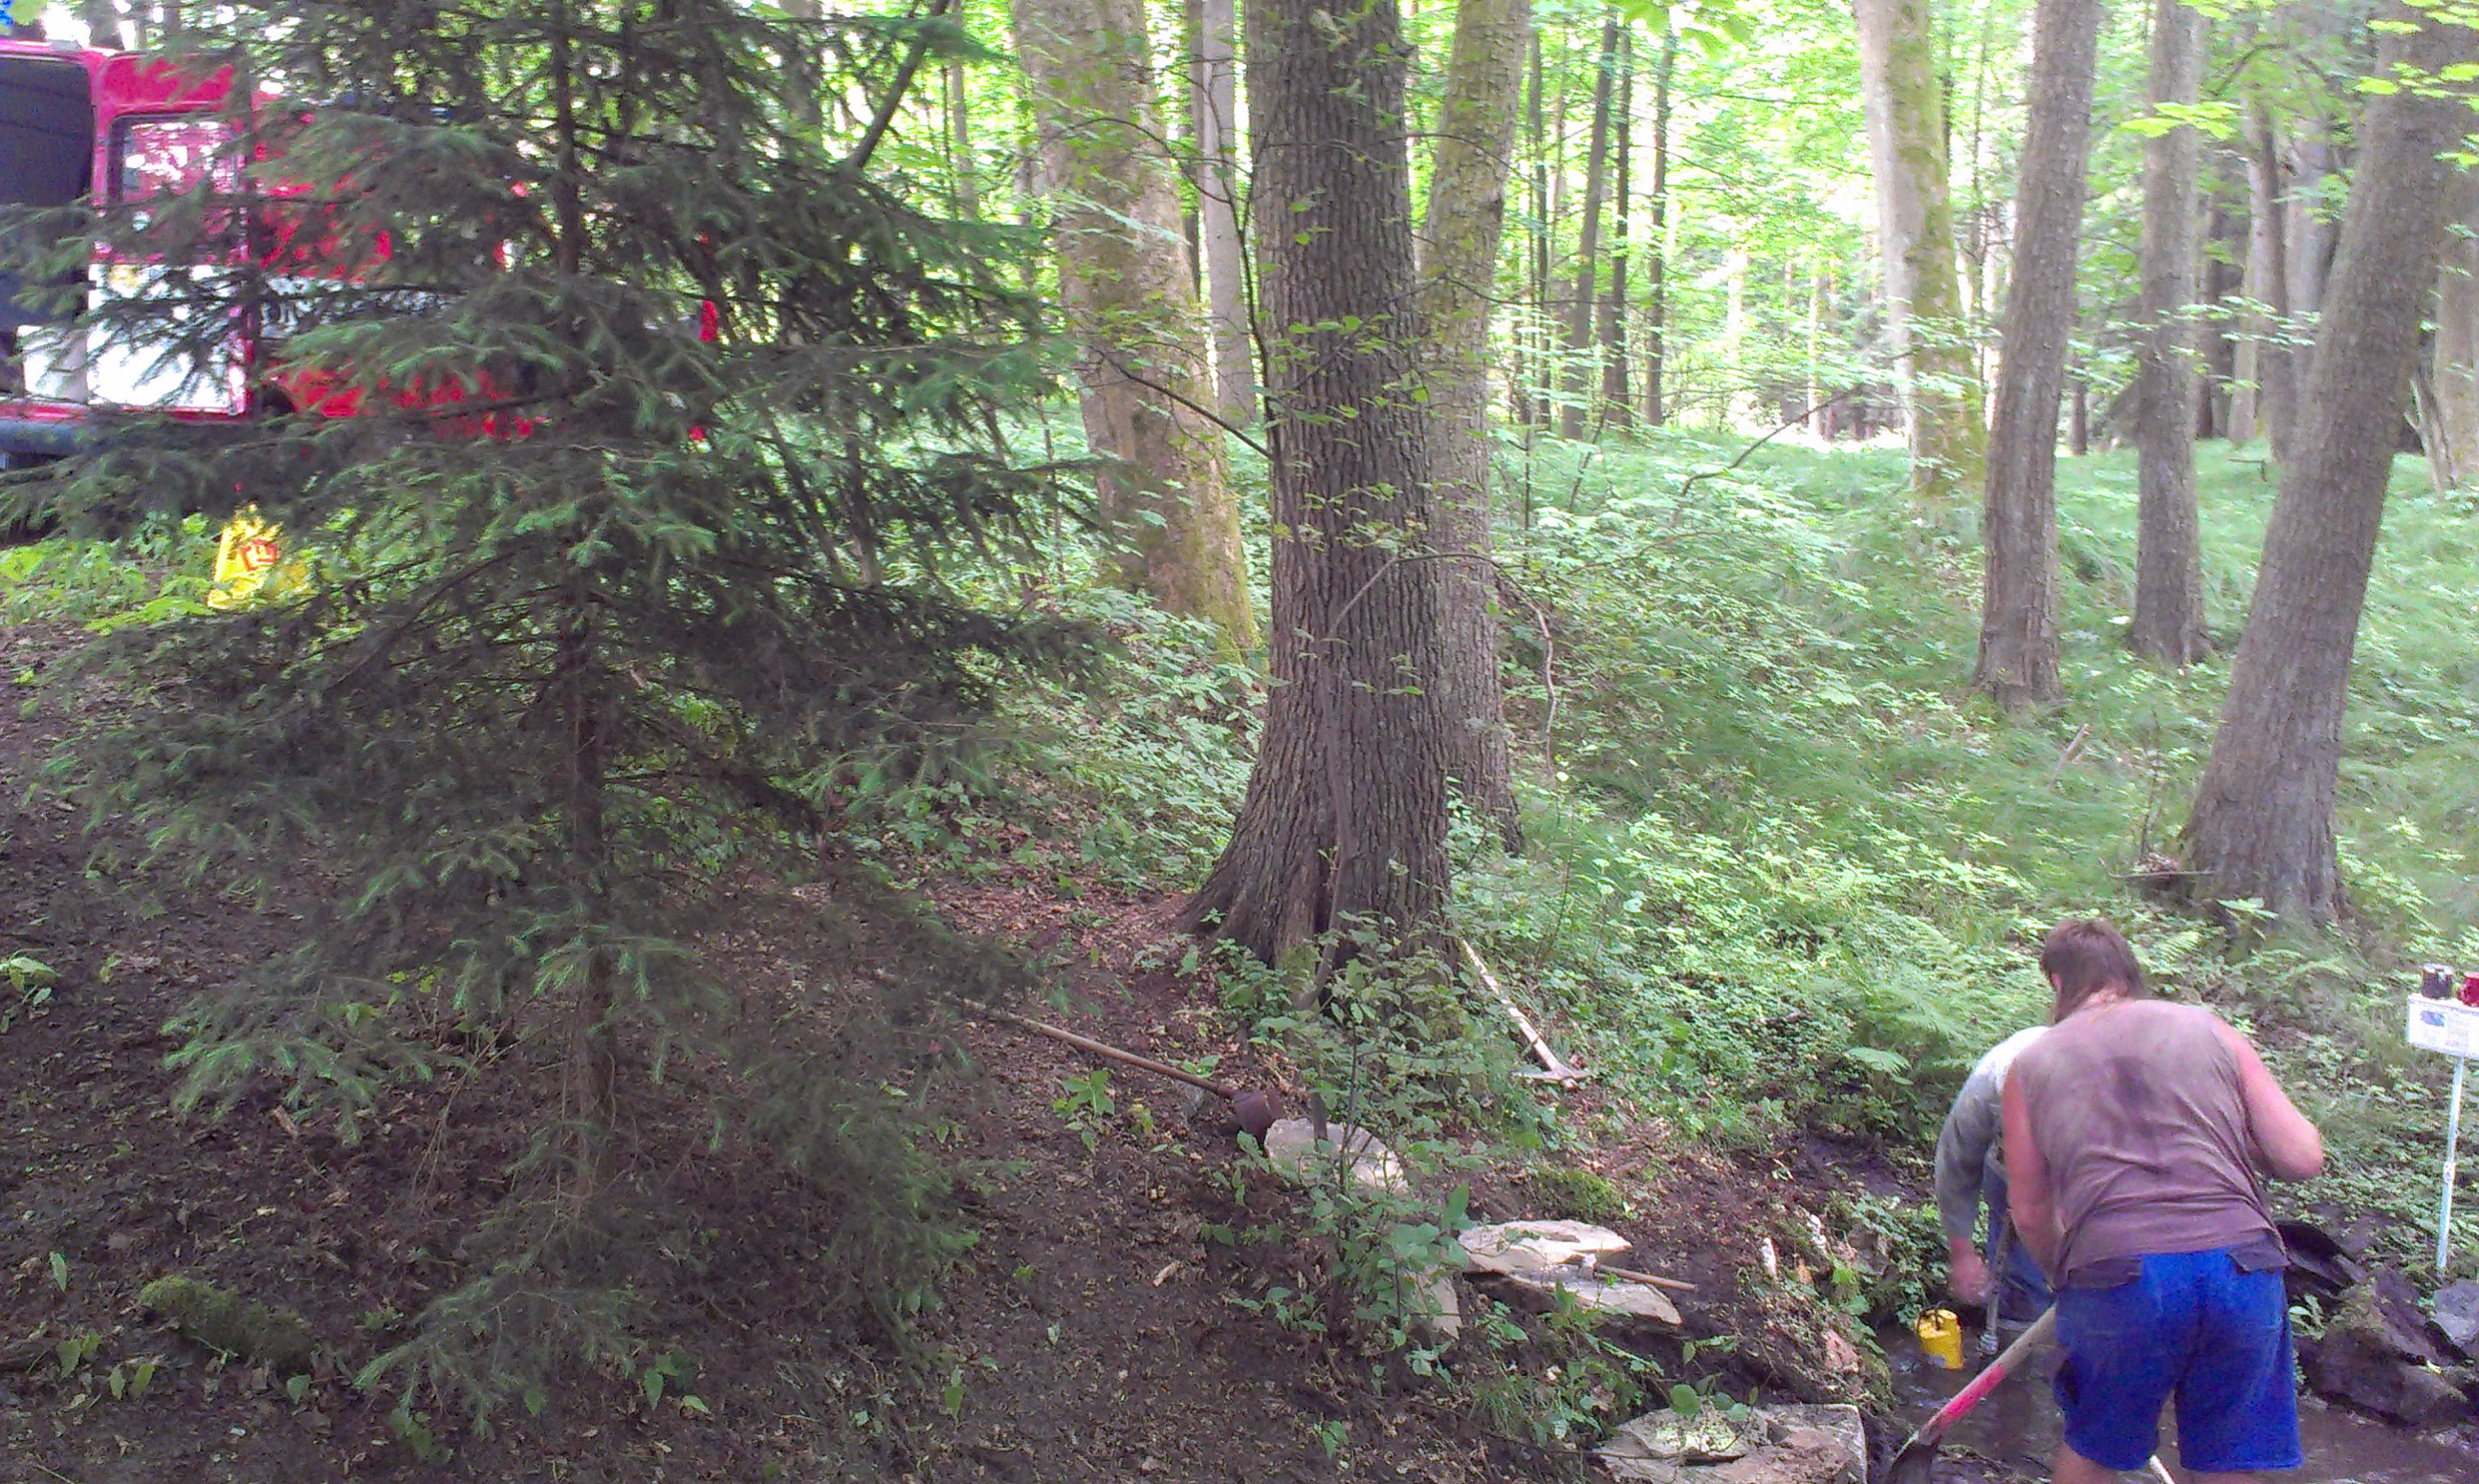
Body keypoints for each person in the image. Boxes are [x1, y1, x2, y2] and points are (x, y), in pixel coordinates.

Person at [2002, 918, 2323, 1484]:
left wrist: (2063, 1275)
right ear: (2129, 975)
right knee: (2228, 1461)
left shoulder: (2029, 1066)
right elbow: (2301, 1157)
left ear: (2057, 983)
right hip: (2242, 1266)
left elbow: (2029, 1210)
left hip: (2119, 1274)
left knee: (2095, 1449)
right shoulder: (2210, 1029)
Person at [1933, 1024, 2052, 1342]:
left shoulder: (2104, 1084)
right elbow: (1956, 1165)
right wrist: (1962, 1254)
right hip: (2006, 1173)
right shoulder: (1986, 1087)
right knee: (2023, 1283)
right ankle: (2017, 1339)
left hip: (2089, 1175)